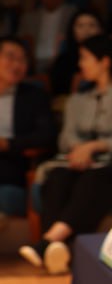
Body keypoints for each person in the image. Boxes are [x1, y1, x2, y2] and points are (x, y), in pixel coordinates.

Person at [21, 35, 112, 274]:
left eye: (85, 58)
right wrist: (79, 149)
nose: (81, 64)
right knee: (56, 178)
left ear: (105, 61)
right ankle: (57, 250)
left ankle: (48, 244)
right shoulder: (77, 100)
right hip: (74, 161)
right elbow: (65, 137)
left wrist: (94, 146)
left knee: (94, 180)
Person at [0, 36, 56, 201]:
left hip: (10, 162)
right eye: (10, 57)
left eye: (22, 60)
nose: (17, 65)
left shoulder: (34, 96)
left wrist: (8, 143)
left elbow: (47, 135)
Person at [17, 0, 76, 74]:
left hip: (63, 64)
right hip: (34, 64)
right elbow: (20, 43)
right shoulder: (29, 18)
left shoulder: (74, 14)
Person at [49, 10, 104, 97]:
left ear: (100, 30)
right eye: (80, 26)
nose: (86, 30)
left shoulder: (108, 58)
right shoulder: (63, 61)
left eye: (92, 25)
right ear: (72, 30)